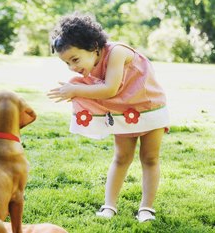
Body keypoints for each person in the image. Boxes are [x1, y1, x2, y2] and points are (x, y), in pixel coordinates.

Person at [47, 13, 169, 223]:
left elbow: (110, 88)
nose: (73, 67)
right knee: (121, 157)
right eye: (67, 63)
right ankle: (109, 205)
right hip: (124, 112)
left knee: (149, 158)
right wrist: (76, 91)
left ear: (94, 46)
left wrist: (75, 89)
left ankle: (146, 208)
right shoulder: (89, 66)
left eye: (75, 59)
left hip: (150, 107)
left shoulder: (118, 52)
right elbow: (100, 91)